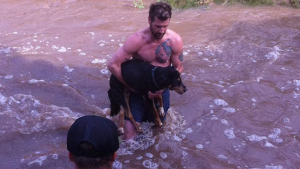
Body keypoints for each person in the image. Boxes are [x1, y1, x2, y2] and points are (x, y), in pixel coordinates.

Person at [108, 2, 184, 140]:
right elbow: (113, 65)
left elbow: (178, 67)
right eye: (158, 26)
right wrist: (131, 86)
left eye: (165, 26)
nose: (161, 31)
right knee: (129, 136)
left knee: (157, 131)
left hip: (160, 90)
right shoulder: (137, 40)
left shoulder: (175, 40)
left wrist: (163, 89)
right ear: (149, 20)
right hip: (137, 90)